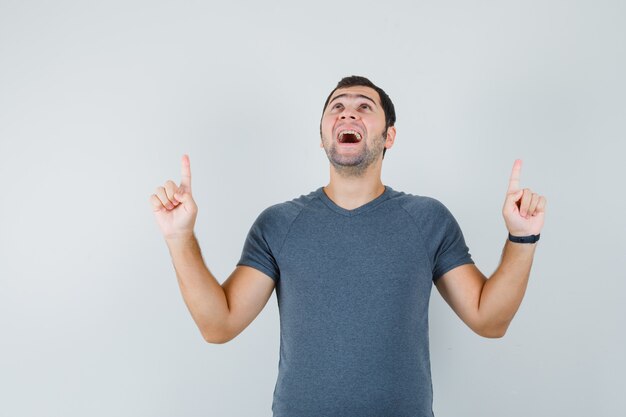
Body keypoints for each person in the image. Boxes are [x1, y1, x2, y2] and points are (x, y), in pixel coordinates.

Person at [149, 75, 546, 417]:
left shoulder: (427, 220)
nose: (348, 112)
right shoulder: (279, 224)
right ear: (323, 137)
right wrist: (180, 238)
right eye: (336, 107)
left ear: (389, 135)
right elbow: (218, 326)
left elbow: (489, 320)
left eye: (364, 107)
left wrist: (521, 237)